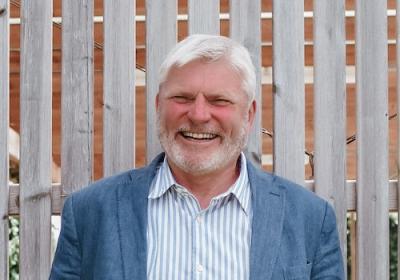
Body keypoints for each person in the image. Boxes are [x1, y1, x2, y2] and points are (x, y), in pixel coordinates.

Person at [49, 34, 344, 279]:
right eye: (182, 98)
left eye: (219, 101)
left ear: (249, 114)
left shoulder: (310, 220)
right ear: (158, 106)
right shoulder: (89, 213)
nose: (199, 115)